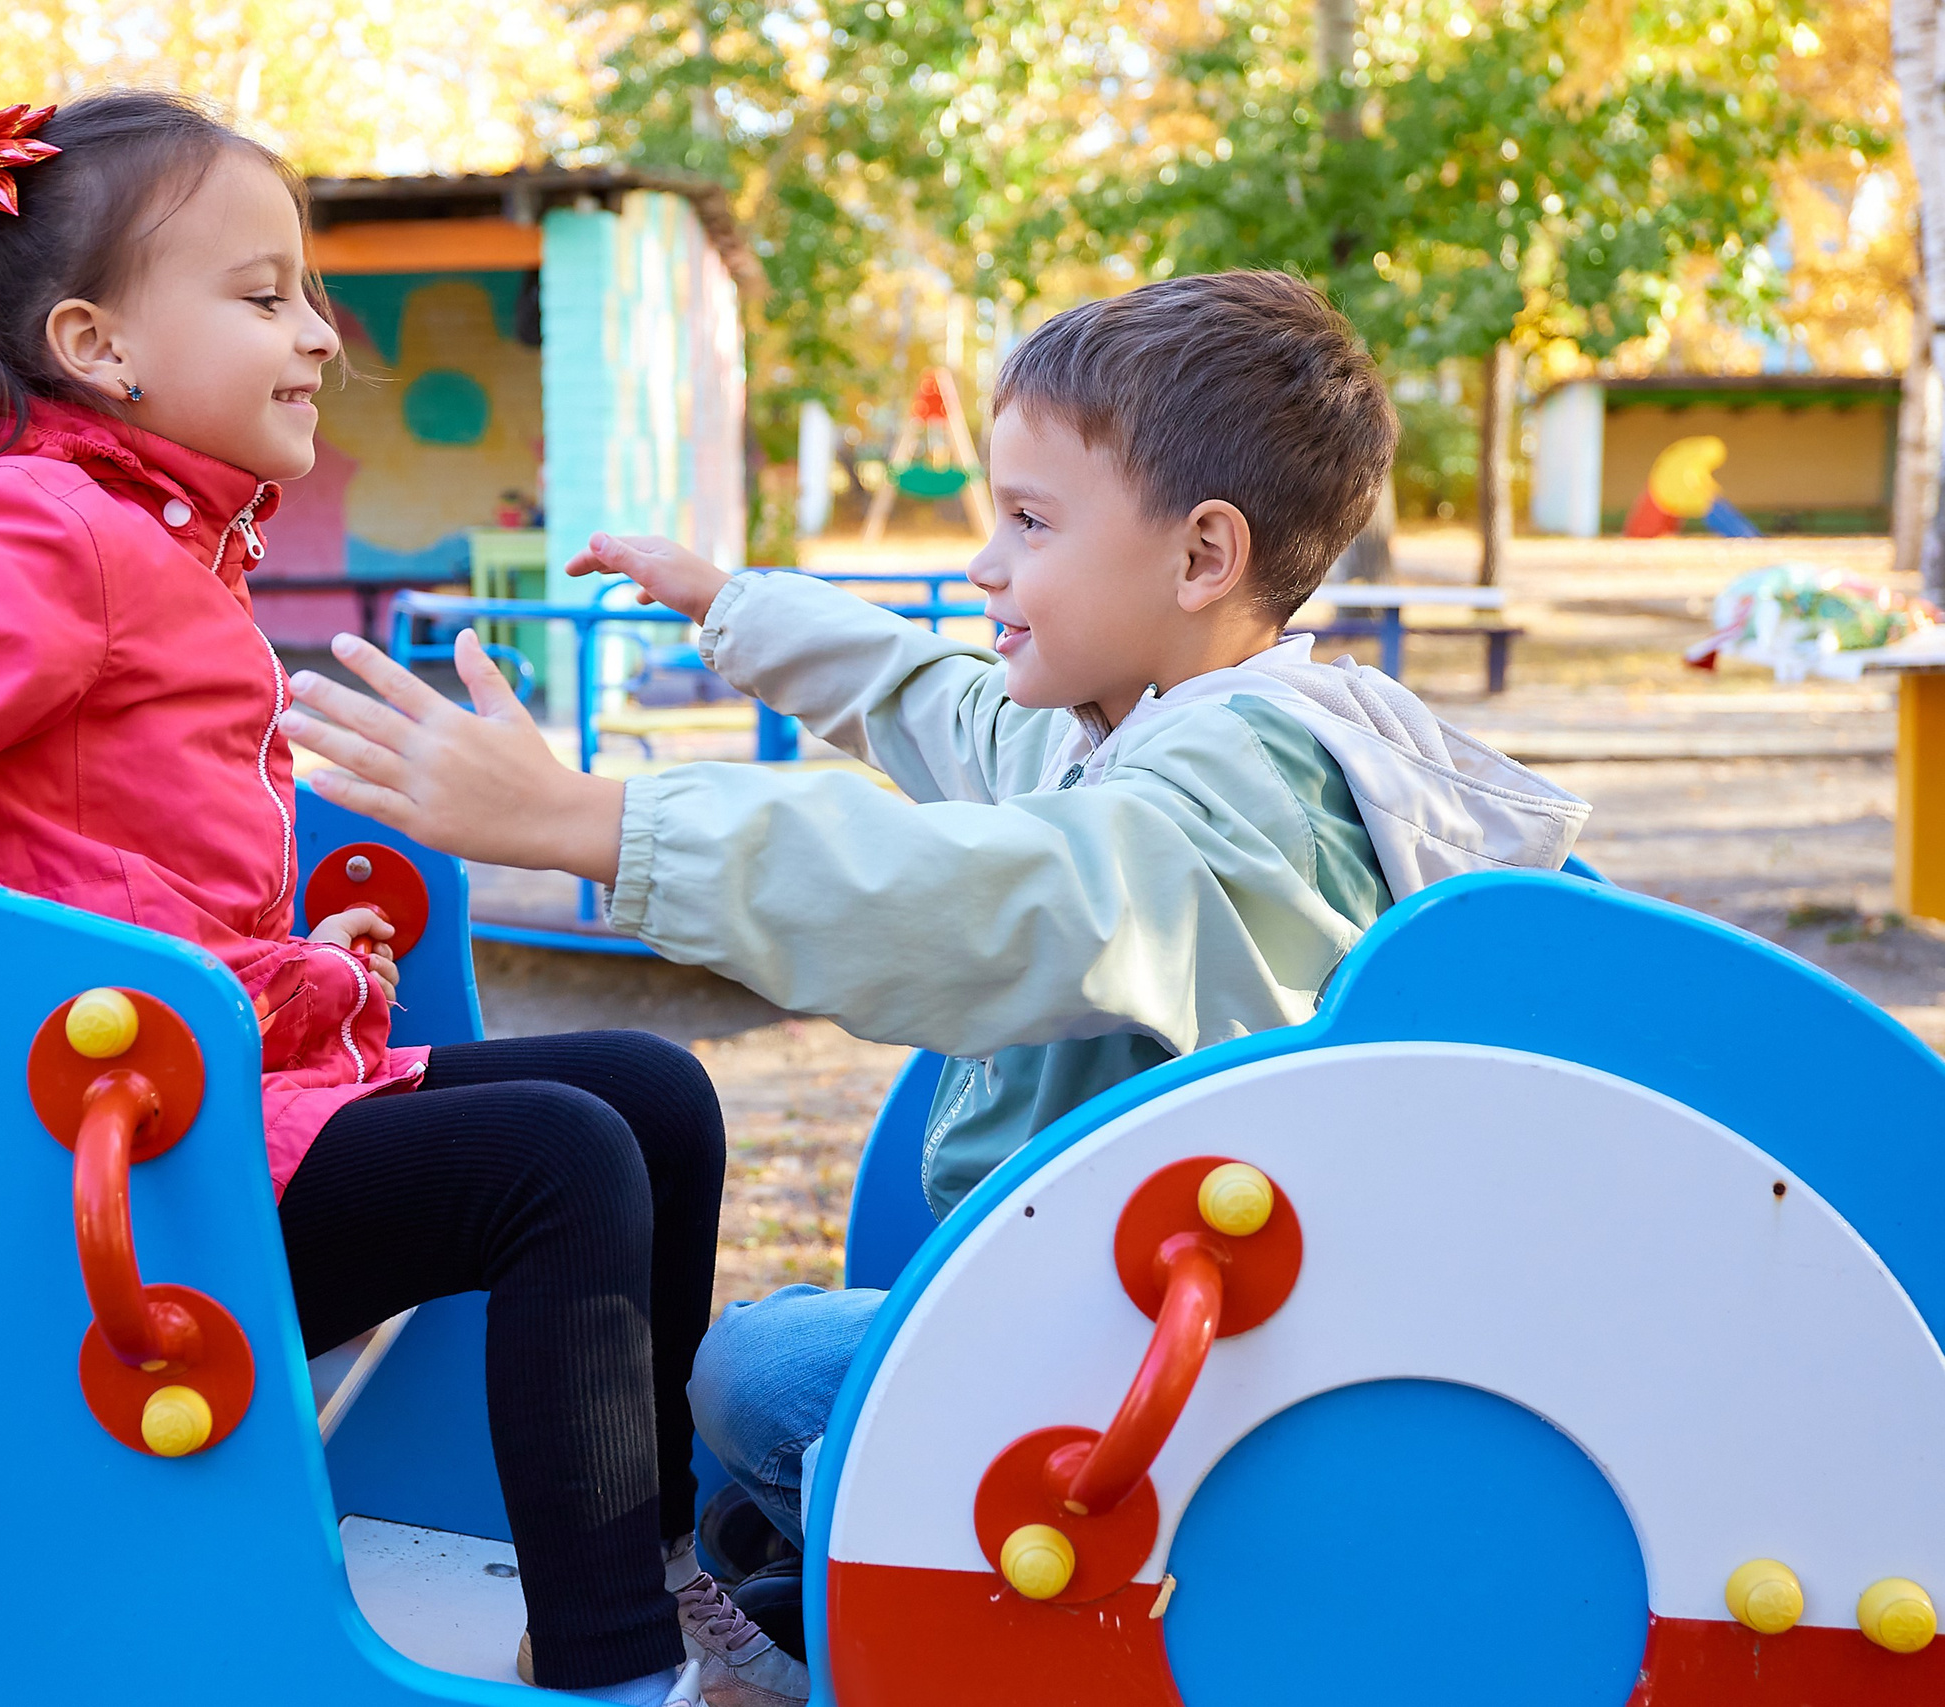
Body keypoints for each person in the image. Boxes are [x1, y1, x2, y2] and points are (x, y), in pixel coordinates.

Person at [0, 90, 807, 1707]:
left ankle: (641, 1575)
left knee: (648, 1088)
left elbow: (102, 847)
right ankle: (612, 1669)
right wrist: (48, 968)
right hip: (99, 1178)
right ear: (97, 345)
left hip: (206, 1106)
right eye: (264, 297)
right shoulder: (44, 525)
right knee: (559, 1156)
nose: (320, 335)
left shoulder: (151, 540)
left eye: (309, 292)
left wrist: (281, 957)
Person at [278, 269, 1590, 1569]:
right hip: (1121, 1289)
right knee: (792, 1364)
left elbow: (976, 903)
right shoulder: (1151, 728)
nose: (984, 562)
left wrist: (594, 823)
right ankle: (799, 1559)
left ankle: (853, 1581)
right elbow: (943, 706)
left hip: (1179, 1355)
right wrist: (728, 606)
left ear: (1202, 555)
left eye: (1030, 521)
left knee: (758, 1371)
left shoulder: (1232, 795)